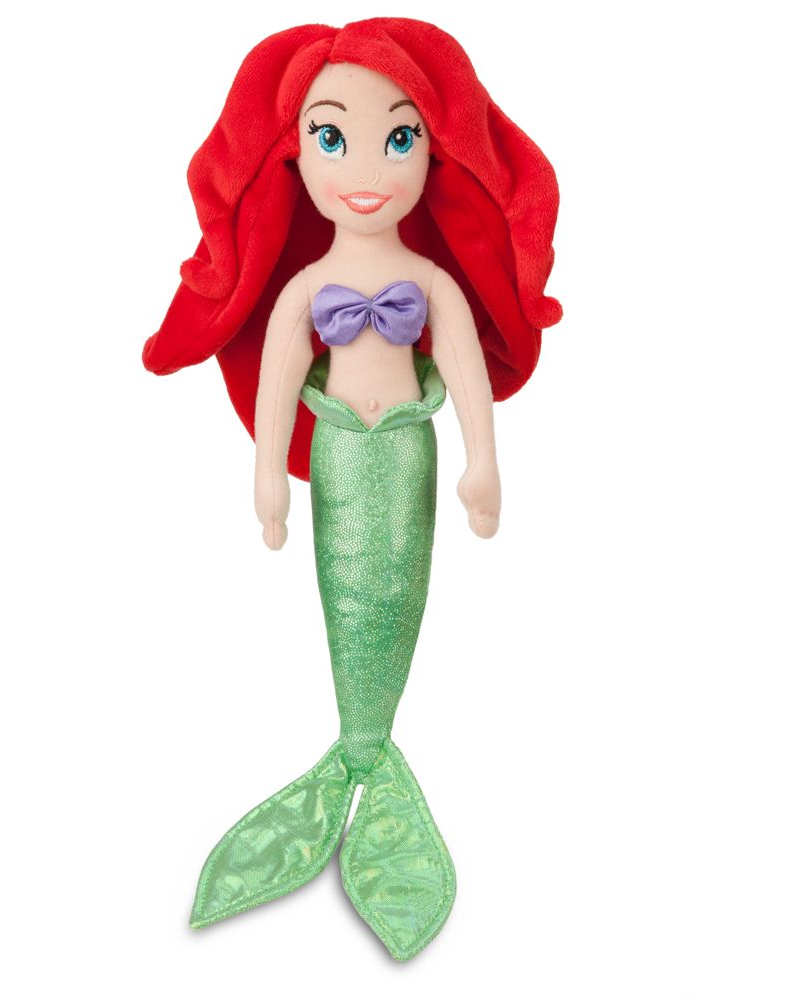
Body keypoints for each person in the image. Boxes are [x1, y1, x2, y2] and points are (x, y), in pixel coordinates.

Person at [143, 17, 562, 961]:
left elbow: (465, 373)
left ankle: (372, 747)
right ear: (295, 154)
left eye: (398, 136)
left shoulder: (430, 281)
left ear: (433, 151)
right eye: (332, 137)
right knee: (347, 593)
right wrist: (268, 475)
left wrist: (483, 461)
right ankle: (356, 748)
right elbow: (278, 384)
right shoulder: (305, 290)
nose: (366, 167)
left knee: (398, 589)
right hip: (337, 458)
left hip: (407, 456)